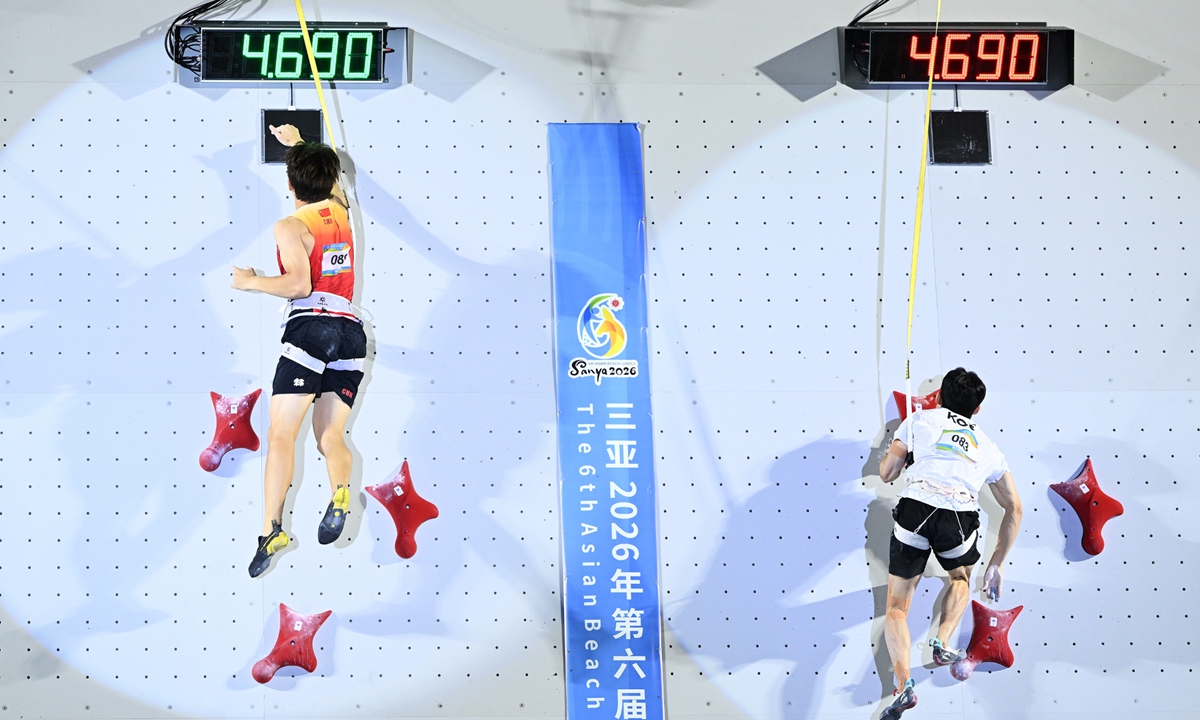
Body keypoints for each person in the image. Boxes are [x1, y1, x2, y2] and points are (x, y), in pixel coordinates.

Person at [231, 124, 366, 578]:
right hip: (350, 333)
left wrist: (250, 281)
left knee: (282, 434)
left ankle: (271, 529)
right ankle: (341, 491)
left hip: (312, 329)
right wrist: (301, 146)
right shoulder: (341, 211)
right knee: (331, 437)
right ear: (330, 178)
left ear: (290, 185)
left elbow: (298, 285)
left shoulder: (290, 226)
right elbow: (334, 182)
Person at [875, 368, 1023, 720]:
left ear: (939, 397)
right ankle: (941, 641)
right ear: (977, 409)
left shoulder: (918, 421)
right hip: (957, 515)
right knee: (959, 578)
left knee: (896, 608)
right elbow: (1015, 508)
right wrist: (997, 564)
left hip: (916, 507)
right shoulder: (988, 447)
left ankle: (903, 685)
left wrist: (901, 454)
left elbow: (887, 474)